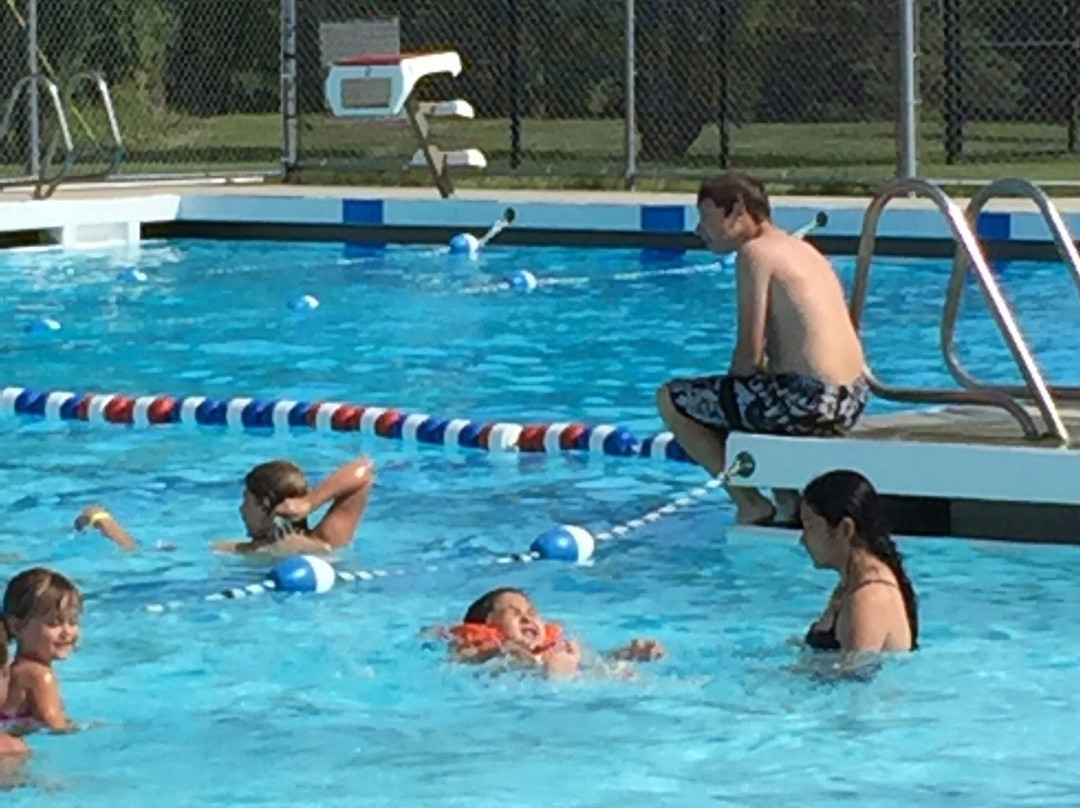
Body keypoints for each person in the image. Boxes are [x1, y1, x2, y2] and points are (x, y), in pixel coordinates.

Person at [656, 171, 868, 526]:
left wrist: (726, 406)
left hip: (810, 402)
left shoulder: (755, 253)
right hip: (852, 400)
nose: (699, 229)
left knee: (672, 399)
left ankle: (750, 502)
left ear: (737, 210)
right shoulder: (803, 250)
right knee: (753, 395)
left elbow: (748, 357)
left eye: (706, 215)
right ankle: (787, 497)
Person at [74, 456, 375, 557]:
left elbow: (138, 555)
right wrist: (312, 502)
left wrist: (102, 520)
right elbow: (364, 470)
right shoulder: (329, 541)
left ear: (264, 507)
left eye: (246, 502)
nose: (241, 511)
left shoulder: (248, 552)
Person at [799, 470, 917, 653]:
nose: (803, 539)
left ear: (845, 529)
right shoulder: (852, 583)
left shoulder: (868, 600)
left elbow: (852, 678)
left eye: (809, 526)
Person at [440, 587, 664, 679]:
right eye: (515, 614)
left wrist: (627, 652)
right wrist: (505, 650)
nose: (528, 619)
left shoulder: (554, 647)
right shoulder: (483, 647)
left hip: (553, 677)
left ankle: (557, 677)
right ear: (489, 624)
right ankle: (555, 678)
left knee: (626, 673)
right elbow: (462, 657)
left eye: (531, 613)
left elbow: (594, 660)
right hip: (522, 689)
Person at [1, 567, 83, 733]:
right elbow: (56, 727)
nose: (67, 632)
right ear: (16, 626)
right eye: (54, 623)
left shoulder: (11, 671)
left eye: (73, 622)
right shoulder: (40, 676)